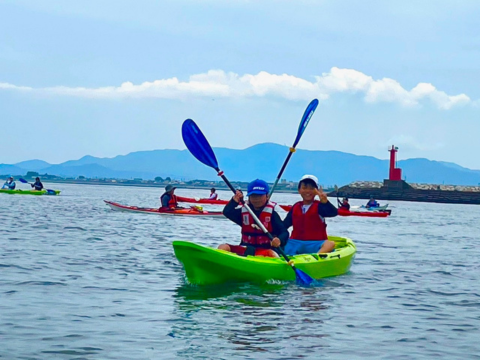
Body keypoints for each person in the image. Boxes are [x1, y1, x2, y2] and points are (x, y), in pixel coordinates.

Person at [220, 179, 288, 258]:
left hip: (266, 250)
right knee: (223, 247)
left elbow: (284, 232)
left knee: (272, 254)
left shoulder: (273, 213)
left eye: (260, 196)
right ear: (249, 197)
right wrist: (234, 201)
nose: (256, 199)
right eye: (253, 196)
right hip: (247, 248)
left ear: (267, 196)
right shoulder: (245, 210)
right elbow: (227, 212)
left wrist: (279, 240)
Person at [283, 175, 338, 255]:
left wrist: (325, 202)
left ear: (316, 191)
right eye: (304, 188)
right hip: (295, 242)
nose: (308, 191)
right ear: (299, 190)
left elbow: (333, 213)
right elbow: (284, 225)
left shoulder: (320, 206)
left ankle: (317, 257)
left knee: (330, 244)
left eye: (311, 188)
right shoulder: (296, 206)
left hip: (315, 243)